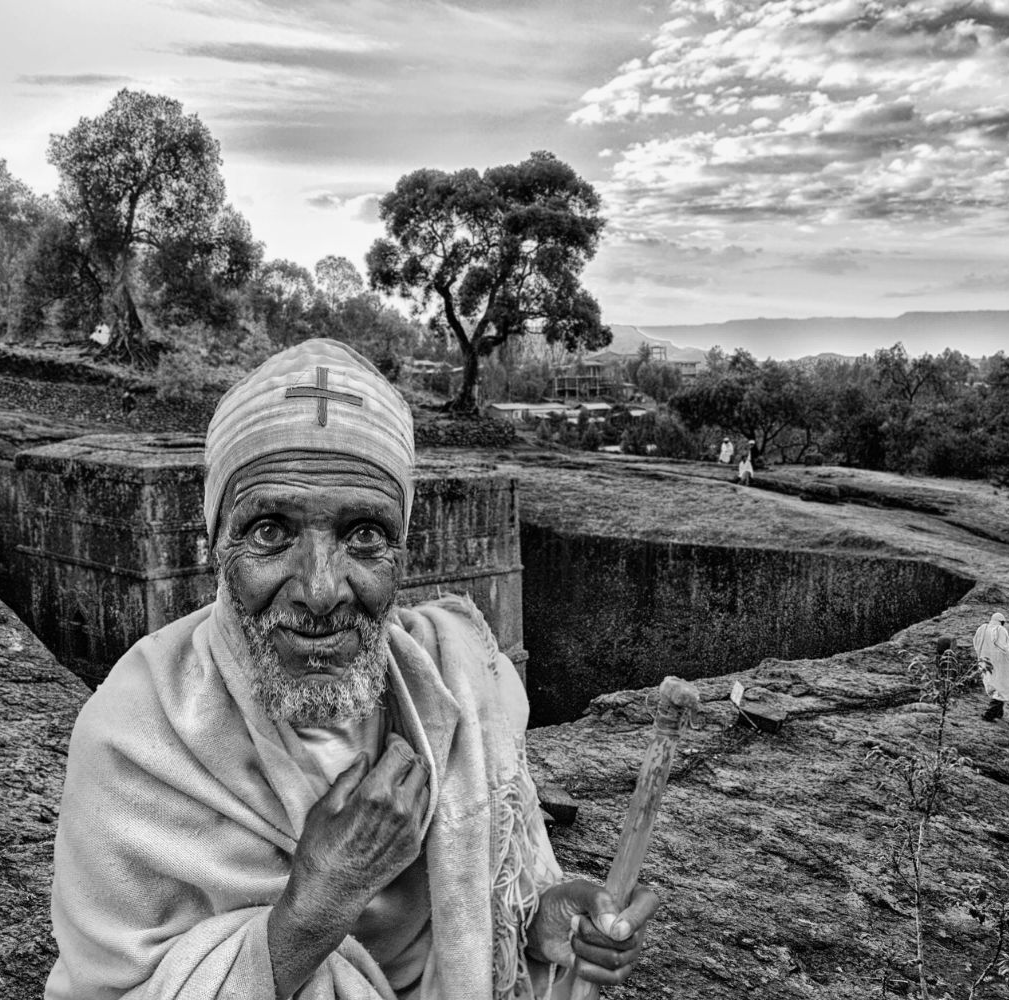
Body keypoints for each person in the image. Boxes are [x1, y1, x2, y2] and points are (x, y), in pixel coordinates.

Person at [45, 339, 660, 1000]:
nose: (320, 589)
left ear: (402, 552)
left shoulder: (457, 683)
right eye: (270, 531)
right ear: (217, 546)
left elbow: (485, 915)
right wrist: (317, 904)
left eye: (364, 534)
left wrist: (538, 925)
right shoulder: (135, 735)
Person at [975, 611, 1009, 722]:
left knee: (994, 684)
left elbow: (976, 643)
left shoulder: (982, 628)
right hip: (998, 662)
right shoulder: (1000, 630)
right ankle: (990, 714)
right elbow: (1004, 647)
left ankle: (998, 712)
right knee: (1000, 686)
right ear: (1001, 622)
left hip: (985, 661)